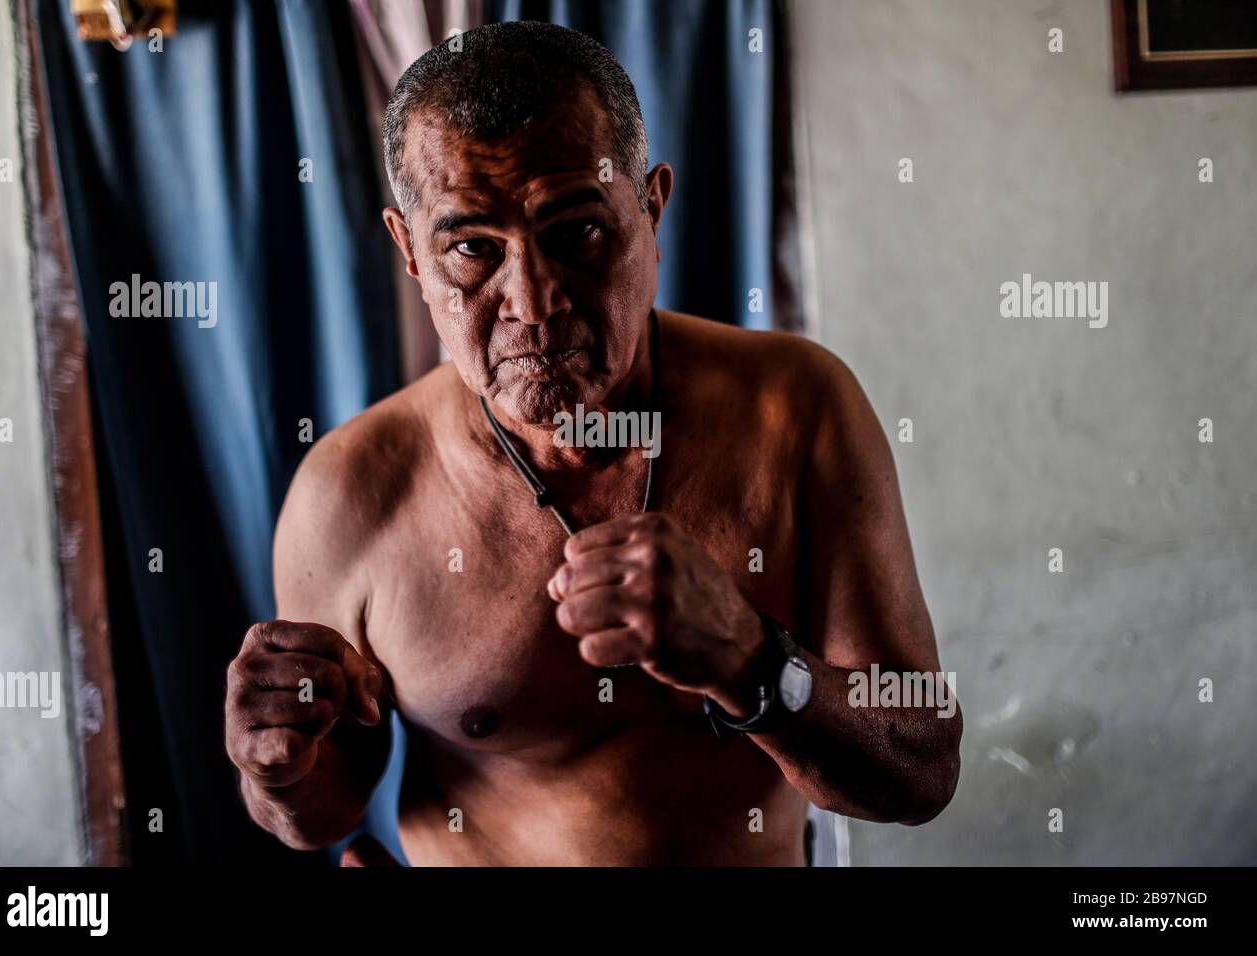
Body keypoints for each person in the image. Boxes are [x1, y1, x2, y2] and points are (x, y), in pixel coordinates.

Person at [224, 20, 961, 866]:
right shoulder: (352, 489)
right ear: (410, 254)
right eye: (472, 248)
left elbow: (921, 769)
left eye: (575, 232)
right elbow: (325, 808)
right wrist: (276, 770)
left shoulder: (794, 411)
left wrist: (752, 662)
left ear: (651, 206)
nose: (532, 304)